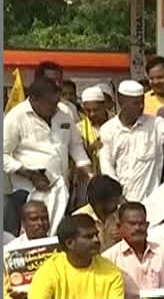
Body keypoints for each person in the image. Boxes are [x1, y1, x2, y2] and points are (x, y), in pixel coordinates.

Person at [4, 77, 93, 232]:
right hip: (28, 192)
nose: (55, 107)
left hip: (61, 192)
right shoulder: (15, 117)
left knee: (58, 237)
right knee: (34, 237)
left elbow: (76, 147)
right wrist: (30, 174)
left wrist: (90, 175)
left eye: (57, 101)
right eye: (50, 103)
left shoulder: (64, 113)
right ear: (34, 99)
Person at [73, 175, 123, 252]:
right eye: (114, 200)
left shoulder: (121, 214)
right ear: (99, 202)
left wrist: (124, 236)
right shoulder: (78, 219)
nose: (118, 202)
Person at [78, 86, 111, 172]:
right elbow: (77, 159)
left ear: (104, 106)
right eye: (88, 111)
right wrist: (92, 148)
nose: (92, 114)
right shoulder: (79, 129)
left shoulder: (116, 124)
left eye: (96, 110)